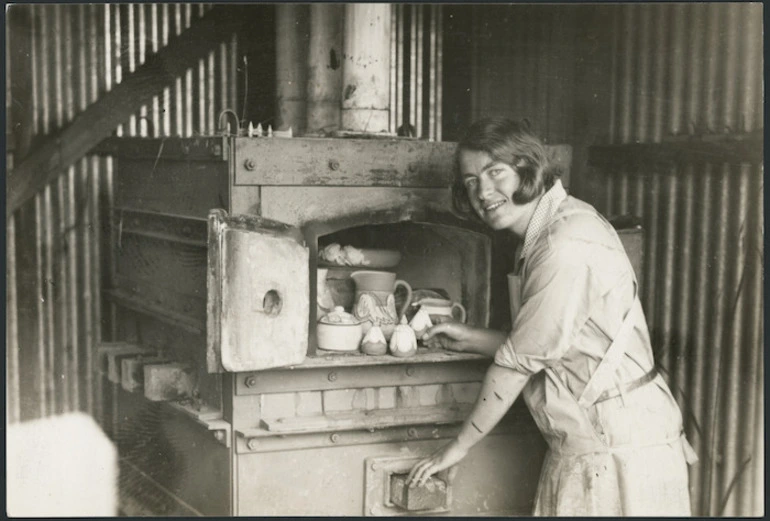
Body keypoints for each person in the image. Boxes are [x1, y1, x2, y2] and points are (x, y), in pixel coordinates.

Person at [406, 118, 697, 516]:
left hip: (615, 445)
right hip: (594, 435)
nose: (483, 192)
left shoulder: (564, 245)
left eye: (496, 173)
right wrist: (470, 337)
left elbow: (517, 365)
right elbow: (554, 344)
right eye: (471, 180)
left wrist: (457, 449)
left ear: (528, 168)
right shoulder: (547, 229)